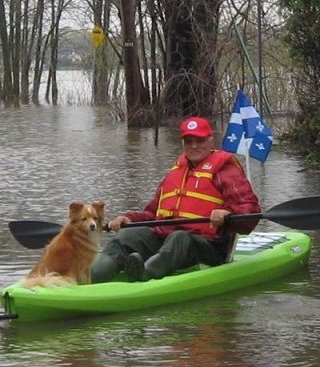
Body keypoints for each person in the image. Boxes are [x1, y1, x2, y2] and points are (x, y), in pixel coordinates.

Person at [91, 116, 261, 283]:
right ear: (183, 144)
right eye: (188, 141)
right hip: (167, 239)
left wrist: (228, 214)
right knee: (128, 235)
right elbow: (152, 214)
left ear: (211, 142)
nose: (194, 146)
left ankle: (144, 276)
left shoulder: (226, 171)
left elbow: (250, 211)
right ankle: (91, 278)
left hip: (209, 246)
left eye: (200, 141)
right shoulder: (175, 173)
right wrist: (128, 218)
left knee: (179, 238)